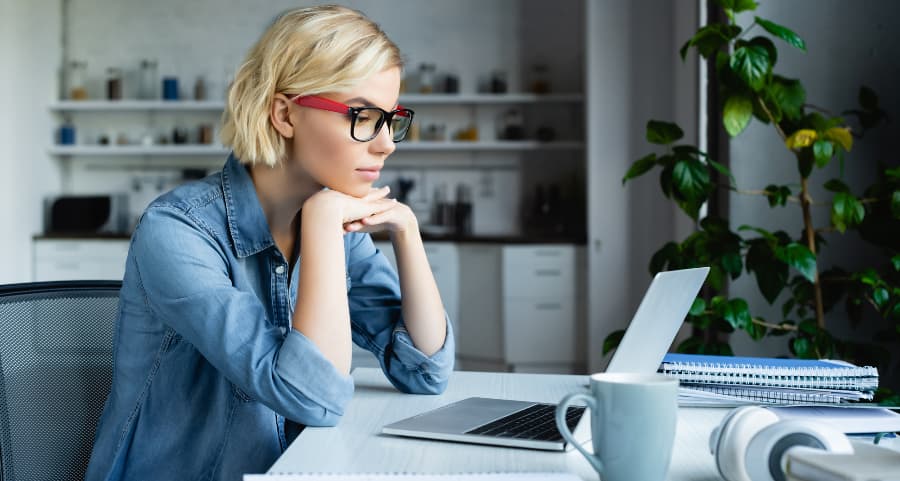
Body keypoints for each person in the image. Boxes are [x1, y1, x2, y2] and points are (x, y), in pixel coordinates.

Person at [85, 5, 454, 480]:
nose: (386, 144)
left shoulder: (333, 222)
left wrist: (407, 232)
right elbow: (314, 398)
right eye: (363, 116)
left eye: (392, 119)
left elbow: (425, 374)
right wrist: (321, 223)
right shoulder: (177, 230)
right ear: (285, 114)